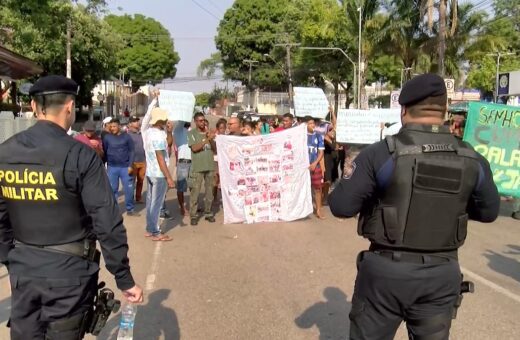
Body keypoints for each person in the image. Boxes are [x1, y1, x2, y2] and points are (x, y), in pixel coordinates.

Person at [329, 73, 500, 340]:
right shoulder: (472, 158)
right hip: (441, 274)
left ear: (404, 109)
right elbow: (489, 212)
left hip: (386, 274)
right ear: (445, 110)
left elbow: (340, 206)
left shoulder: (381, 153)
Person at [0, 75, 143, 339]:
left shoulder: (5, 152)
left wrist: (12, 259)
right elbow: (106, 222)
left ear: (33, 106)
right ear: (70, 107)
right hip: (69, 276)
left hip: (24, 272)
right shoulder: (80, 155)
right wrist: (123, 277)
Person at [141, 92, 174, 241]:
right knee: (157, 203)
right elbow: (161, 158)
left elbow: (147, 116)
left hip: (150, 173)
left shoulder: (146, 132)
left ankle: (149, 228)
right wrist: (169, 177)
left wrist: (154, 100)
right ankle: (155, 231)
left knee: (150, 202)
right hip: (159, 174)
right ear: (161, 120)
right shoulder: (158, 136)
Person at [103, 118, 138, 216]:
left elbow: (132, 151)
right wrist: (106, 164)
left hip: (125, 167)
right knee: (113, 189)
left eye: (114, 126)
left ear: (119, 126)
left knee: (129, 189)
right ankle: (114, 211)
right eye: (110, 126)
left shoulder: (126, 137)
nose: (112, 128)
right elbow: (105, 150)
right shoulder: (107, 137)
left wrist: (130, 165)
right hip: (112, 168)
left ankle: (130, 209)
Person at [188, 112, 217, 226]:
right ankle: (193, 215)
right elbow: (194, 148)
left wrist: (211, 138)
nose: (202, 122)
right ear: (195, 121)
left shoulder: (208, 133)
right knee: (195, 192)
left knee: (209, 192)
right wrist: (206, 139)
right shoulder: (191, 133)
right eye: (200, 120)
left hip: (209, 166)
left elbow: (215, 149)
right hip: (198, 167)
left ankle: (208, 213)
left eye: (203, 120)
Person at [305, 116, 326, 219]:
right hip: (304, 167)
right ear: (305, 125)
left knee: (318, 189)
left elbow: (321, 152)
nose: (312, 125)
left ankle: (318, 210)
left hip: (315, 166)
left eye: (313, 123)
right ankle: (303, 209)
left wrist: (315, 163)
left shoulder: (318, 136)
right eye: (310, 123)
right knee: (304, 188)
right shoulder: (301, 136)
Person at [174, 121, 192, 216]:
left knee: (193, 186)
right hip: (183, 163)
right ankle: (182, 207)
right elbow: (180, 122)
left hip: (193, 162)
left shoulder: (191, 131)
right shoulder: (177, 131)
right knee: (181, 187)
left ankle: (193, 206)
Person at [127, 116, 146, 204]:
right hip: (133, 162)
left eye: (138, 121)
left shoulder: (142, 134)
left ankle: (138, 197)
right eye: (135, 121)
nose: (137, 123)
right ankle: (130, 199)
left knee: (141, 181)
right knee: (131, 182)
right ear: (130, 124)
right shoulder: (127, 135)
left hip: (143, 161)